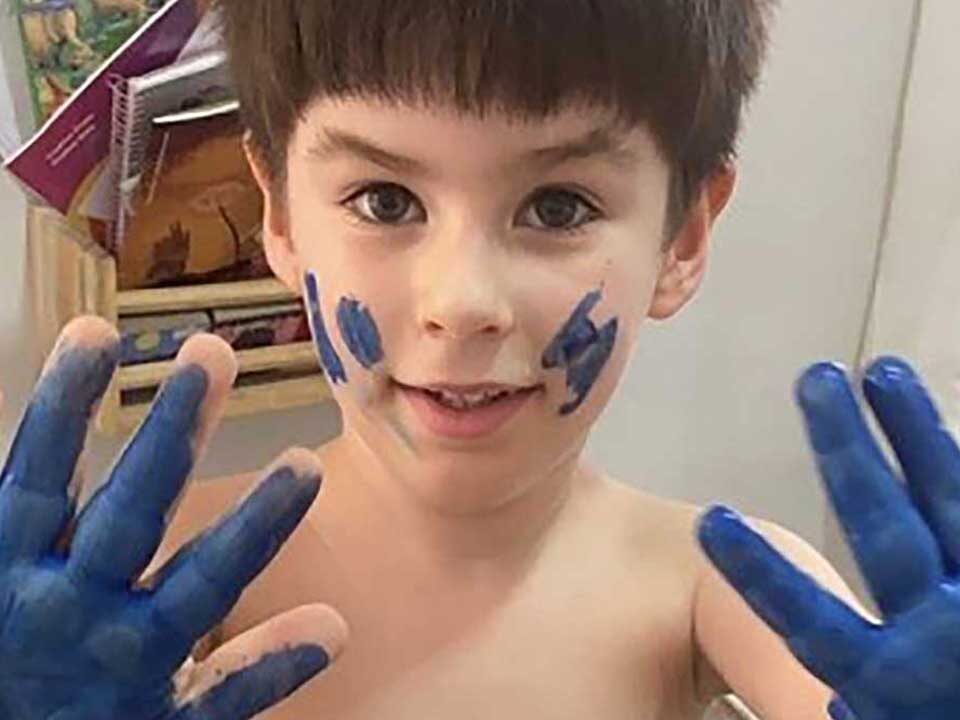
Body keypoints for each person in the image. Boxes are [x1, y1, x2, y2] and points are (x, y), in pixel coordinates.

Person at [3, 2, 960, 719]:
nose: (461, 303)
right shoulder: (151, 592)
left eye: (558, 207)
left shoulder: (721, 586)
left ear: (683, 238)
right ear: (281, 215)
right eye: (385, 200)